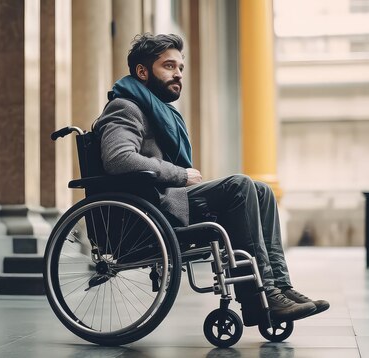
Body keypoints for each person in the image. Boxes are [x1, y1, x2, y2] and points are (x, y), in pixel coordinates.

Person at [93, 33, 329, 324]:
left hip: (165, 201)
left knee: (262, 190)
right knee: (239, 186)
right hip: (150, 211)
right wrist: (179, 174)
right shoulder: (126, 107)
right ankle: (262, 294)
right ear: (142, 72)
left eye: (180, 67)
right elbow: (118, 159)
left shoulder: (157, 110)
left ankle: (279, 286)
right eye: (168, 66)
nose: (178, 73)